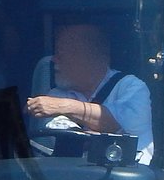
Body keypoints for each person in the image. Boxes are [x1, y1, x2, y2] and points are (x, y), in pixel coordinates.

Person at [26, 23, 153, 164]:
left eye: (61, 55)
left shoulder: (132, 87)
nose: (53, 60)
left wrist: (64, 107)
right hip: (76, 176)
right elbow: (71, 140)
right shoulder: (56, 94)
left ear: (90, 57)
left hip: (128, 176)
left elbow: (115, 122)